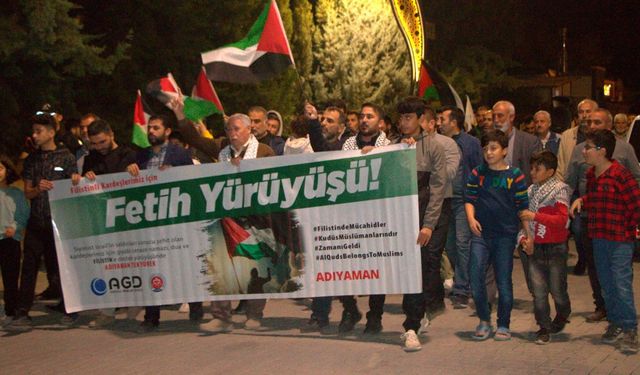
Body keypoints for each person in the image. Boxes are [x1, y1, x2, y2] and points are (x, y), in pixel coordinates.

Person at [565, 108, 640, 323]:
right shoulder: (592, 175)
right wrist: (582, 200)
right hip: (598, 236)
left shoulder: (620, 175)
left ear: (602, 151)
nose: (584, 152)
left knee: (621, 283)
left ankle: (628, 327)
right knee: (606, 282)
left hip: (619, 240)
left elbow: (636, 205)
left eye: (588, 148)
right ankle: (614, 322)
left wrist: (633, 231)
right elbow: (596, 197)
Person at [7, 113, 77, 332]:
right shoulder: (32, 160)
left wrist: (76, 181)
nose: (35, 135)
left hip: (58, 223)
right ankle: (22, 312)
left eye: (39, 131)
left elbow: (75, 186)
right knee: (29, 267)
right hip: (36, 222)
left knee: (60, 267)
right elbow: (27, 192)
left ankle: (69, 309)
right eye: (34, 131)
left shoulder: (66, 157)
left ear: (51, 132)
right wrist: (38, 189)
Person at [126, 114, 194, 332]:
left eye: (156, 128)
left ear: (167, 131)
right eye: (149, 127)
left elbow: (193, 180)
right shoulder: (141, 156)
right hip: (149, 220)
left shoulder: (180, 154)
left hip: (174, 218)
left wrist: (175, 174)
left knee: (182, 264)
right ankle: (151, 315)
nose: (151, 131)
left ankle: (195, 305)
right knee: (151, 267)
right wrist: (131, 172)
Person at [465, 130, 531, 341]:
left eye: (493, 148)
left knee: (503, 281)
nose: (488, 152)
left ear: (504, 150)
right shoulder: (478, 173)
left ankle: (504, 323)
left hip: (505, 235)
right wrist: (471, 219)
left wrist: (528, 235)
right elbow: (469, 198)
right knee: (475, 275)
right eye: (485, 149)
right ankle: (484, 320)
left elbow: (523, 207)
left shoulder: (515, 175)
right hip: (481, 233)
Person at [71, 119, 137, 328]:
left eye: (102, 142)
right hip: (103, 220)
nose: (99, 147)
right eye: (94, 144)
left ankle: (134, 309)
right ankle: (106, 313)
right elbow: (83, 185)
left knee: (132, 264)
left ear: (111, 134)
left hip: (129, 217)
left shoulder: (129, 154)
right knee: (105, 266)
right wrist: (81, 178)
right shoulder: (90, 159)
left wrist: (136, 171)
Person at [395, 97, 446, 351]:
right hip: (398, 223)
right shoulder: (394, 146)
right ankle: (420, 314)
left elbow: (437, 190)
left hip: (422, 222)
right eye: (401, 118)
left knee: (421, 271)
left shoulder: (434, 148)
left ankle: (411, 326)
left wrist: (428, 225)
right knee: (408, 273)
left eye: (408, 117)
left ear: (420, 119)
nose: (404, 122)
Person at [518, 151, 572, 345]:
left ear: (550, 171)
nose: (532, 172)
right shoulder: (531, 190)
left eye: (537, 169)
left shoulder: (560, 190)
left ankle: (563, 312)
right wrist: (525, 239)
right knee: (539, 292)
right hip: (536, 247)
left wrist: (536, 217)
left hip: (556, 247)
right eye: (532, 168)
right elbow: (524, 219)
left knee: (557, 290)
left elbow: (562, 220)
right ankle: (543, 327)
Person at [438, 106, 483, 309]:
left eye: (442, 119)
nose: (439, 123)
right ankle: (464, 280)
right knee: (449, 246)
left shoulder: (470, 143)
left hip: (464, 201)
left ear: (454, 122)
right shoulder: (438, 142)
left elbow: (478, 169)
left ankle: (462, 288)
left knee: (463, 243)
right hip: (444, 200)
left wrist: (476, 198)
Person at [0, 155, 29, 326]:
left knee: (10, 278)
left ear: (7, 170)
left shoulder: (15, 193)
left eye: (0, 168)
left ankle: (11, 310)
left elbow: (23, 213)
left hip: (9, 240)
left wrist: (15, 227)